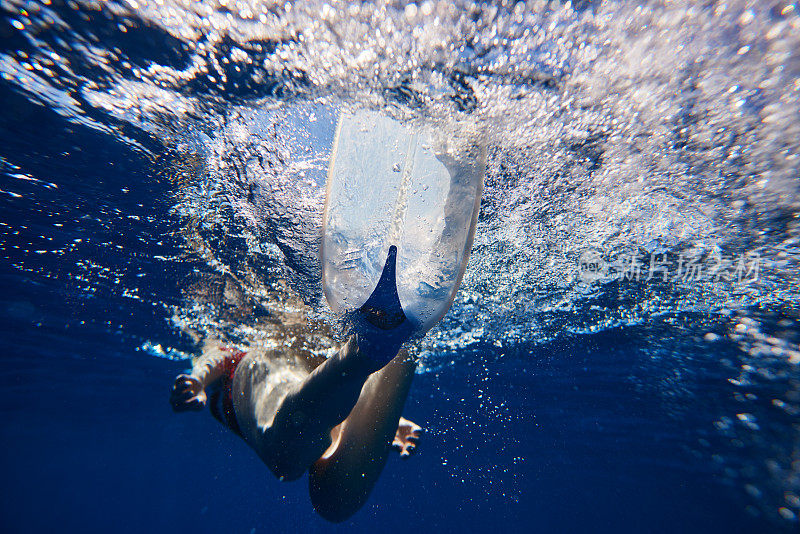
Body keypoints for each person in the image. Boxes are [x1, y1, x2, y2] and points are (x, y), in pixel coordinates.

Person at [170, 246, 424, 522]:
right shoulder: (277, 332)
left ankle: (373, 345)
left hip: (271, 370)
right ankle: (407, 336)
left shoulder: (257, 338)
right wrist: (382, 417)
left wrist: (196, 380)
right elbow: (217, 354)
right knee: (335, 502)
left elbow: (217, 354)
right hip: (293, 378)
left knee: (286, 460)